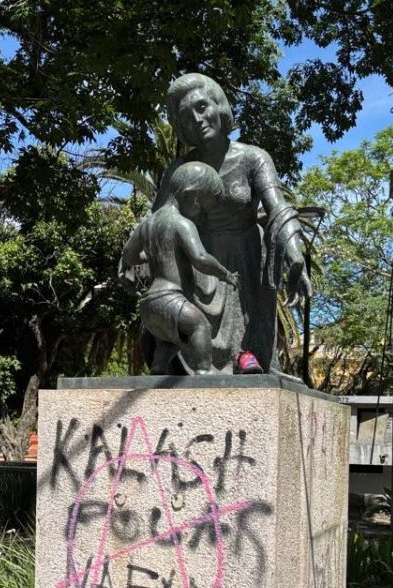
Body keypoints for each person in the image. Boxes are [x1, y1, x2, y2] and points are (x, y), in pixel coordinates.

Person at [152, 72, 312, 374]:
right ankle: (186, 358)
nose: (197, 119)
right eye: (186, 116)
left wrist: (294, 254)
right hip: (199, 258)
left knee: (253, 283)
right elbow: (160, 218)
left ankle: (246, 354)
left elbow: (278, 208)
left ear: (218, 106)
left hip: (246, 256)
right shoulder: (179, 168)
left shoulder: (254, 158)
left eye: (202, 107)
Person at [120, 161, 239, 375]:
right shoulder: (182, 223)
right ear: (189, 195)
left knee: (172, 338)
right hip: (170, 298)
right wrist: (225, 274)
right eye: (202, 206)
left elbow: (129, 254)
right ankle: (204, 371)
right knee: (199, 326)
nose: (202, 215)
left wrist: (144, 259)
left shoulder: (146, 225)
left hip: (148, 306)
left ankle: (158, 367)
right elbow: (200, 257)